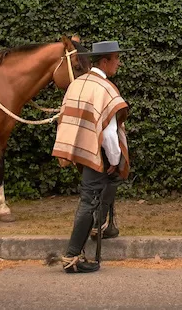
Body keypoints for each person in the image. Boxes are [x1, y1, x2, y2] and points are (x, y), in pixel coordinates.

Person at [51, 40, 131, 273]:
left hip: (80, 148)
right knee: (89, 200)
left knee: (104, 187)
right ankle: (72, 257)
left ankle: (103, 225)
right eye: (116, 59)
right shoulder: (105, 89)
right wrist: (115, 161)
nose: (118, 63)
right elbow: (109, 133)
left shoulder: (77, 83)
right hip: (98, 152)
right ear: (105, 61)